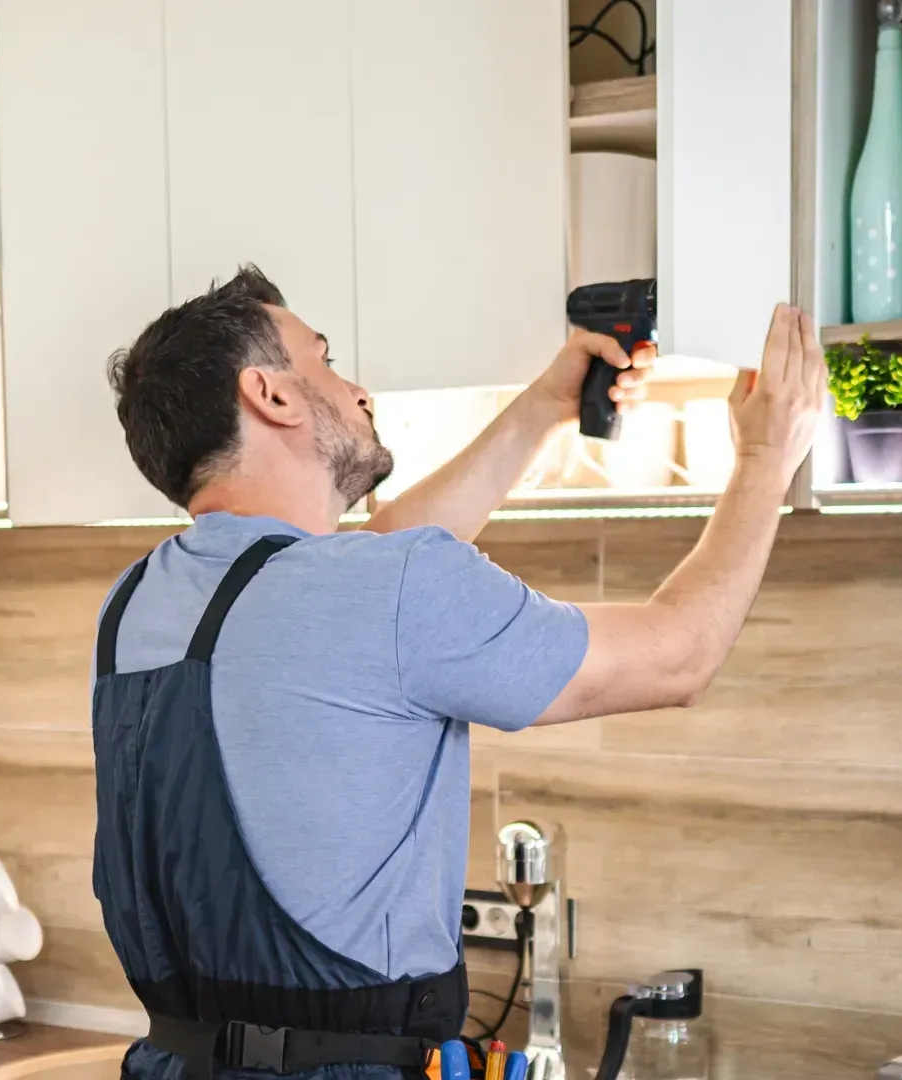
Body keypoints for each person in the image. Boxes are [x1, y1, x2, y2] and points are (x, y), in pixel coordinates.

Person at [91, 266, 824, 1080]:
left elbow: (364, 573)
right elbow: (679, 653)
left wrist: (550, 401)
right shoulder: (386, 590)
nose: (358, 388)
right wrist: (766, 454)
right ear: (272, 395)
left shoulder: (134, 604)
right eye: (325, 360)